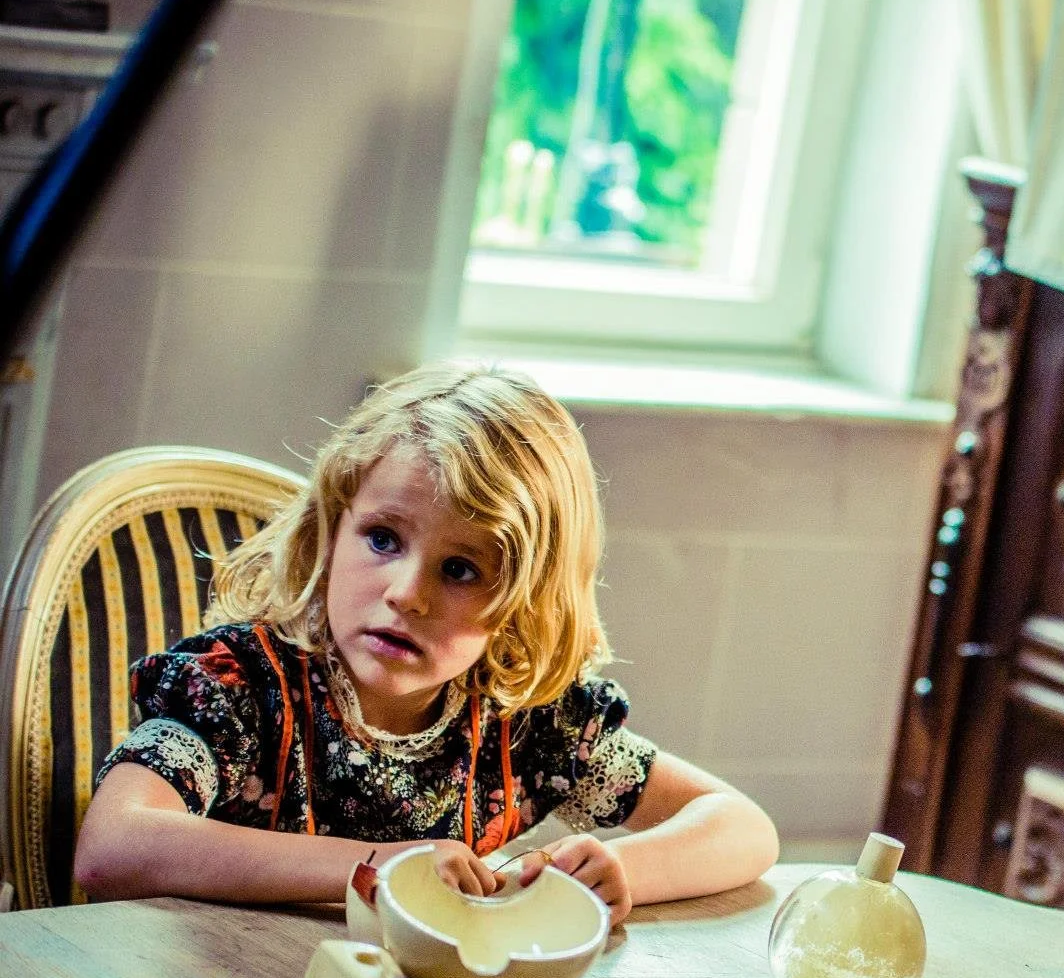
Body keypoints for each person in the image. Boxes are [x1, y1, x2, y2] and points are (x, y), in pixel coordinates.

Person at [75, 363, 778, 924]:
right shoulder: (240, 691)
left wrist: (621, 869)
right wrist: (379, 864)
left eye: (461, 569)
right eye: (383, 539)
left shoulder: (529, 724)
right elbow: (112, 847)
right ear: (330, 532)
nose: (408, 592)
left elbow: (743, 828)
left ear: (524, 603)